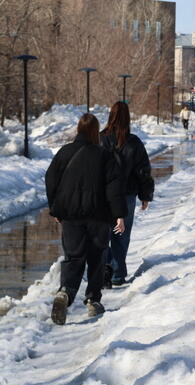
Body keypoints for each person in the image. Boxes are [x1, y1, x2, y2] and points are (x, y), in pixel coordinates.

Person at [45, 113, 127, 326]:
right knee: (97, 257)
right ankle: (93, 300)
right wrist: (119, 214)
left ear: (78, 130)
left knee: (73, 256)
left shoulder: (64, 153)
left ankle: (65, 293)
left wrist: (56, 209)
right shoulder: (105, 156)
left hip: (70, 216)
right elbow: (114, 188)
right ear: (95, 132)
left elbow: (50, 179)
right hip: (99, 216)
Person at [100, 101, 154, 288]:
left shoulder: (100, 139)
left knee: (102, 233)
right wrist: (145, 195)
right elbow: (143, 170)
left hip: (103, 195)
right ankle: (117, 273)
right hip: (127, 195)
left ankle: (106, 266)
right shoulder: (134, 142)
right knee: (121, 236)